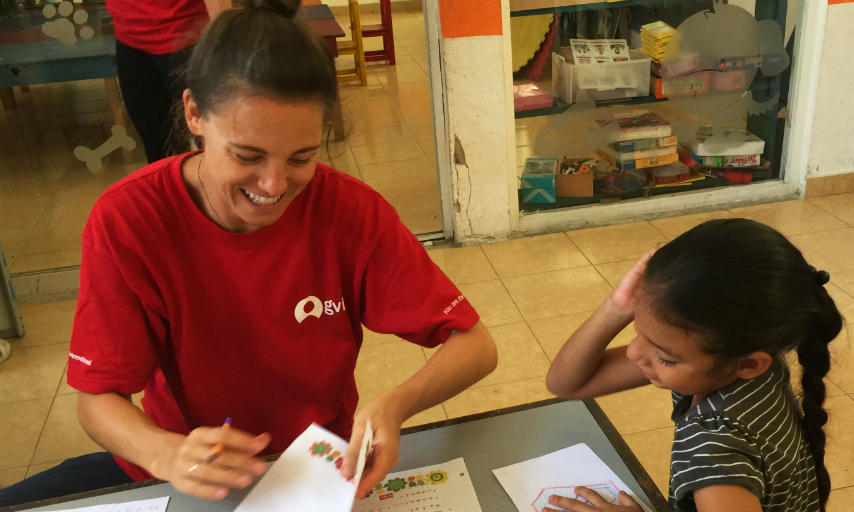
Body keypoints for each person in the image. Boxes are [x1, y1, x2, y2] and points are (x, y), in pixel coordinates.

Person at [0, 0, 498, 506]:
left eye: (301, 157)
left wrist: (396, 403)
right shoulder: (129, 219)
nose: (274, 185)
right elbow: (98, 398)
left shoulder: (349, 210)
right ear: (194, 113)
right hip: (183, 472)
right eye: (247, 155)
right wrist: (165, 453)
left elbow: (475, 345)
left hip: (311, 470)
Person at [545, 219, 842, 512]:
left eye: (665, 357)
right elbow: (569, 384)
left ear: (749, 364)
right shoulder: (746, 358)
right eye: (638, 331)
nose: (635, 353)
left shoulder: (715, 449)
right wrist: (617, 307)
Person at [106, 0, 231, 162]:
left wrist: (222, 36)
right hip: (128, 34)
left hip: (184, 33)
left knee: (214, 140)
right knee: (157, 145)